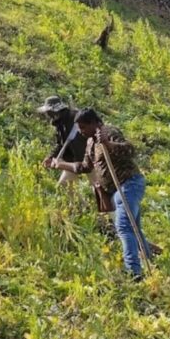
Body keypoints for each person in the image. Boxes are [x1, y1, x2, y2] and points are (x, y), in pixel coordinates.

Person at [50, 109, 152, 279]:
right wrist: (60, 164)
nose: (81, 131)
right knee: (133, 227)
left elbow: (130, 150)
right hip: (115, 190)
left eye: (83, 127)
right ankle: (148, 259)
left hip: (128, 184)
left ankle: (133, 271)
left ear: (93, 123)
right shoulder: (90, 142)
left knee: (124, 226)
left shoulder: (109, 132)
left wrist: (108, 144)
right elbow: (84, 167)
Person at [37, 96, 96, 188]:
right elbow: (60, 144)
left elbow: (93, 135)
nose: (48, 115)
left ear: (55, 111)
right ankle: (77, 203)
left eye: (49, 112)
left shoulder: (77, 118)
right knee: (63, 185)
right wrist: (51, 156)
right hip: (73, 161)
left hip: (91, 159)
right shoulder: (59, 124)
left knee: (99, 187)